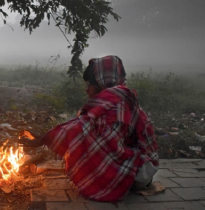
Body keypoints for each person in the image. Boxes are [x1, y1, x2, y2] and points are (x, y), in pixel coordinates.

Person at [19, 55, 158, 202]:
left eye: (89, 85)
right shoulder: (113, 99)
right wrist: (45, 137)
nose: (86, 89)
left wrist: (44, 139)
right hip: (133, 163)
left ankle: (109, 184)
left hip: (138, 171)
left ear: (102, 82)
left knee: (87, 142)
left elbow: (84, 131)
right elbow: (81, 123)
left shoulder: (117, 104)